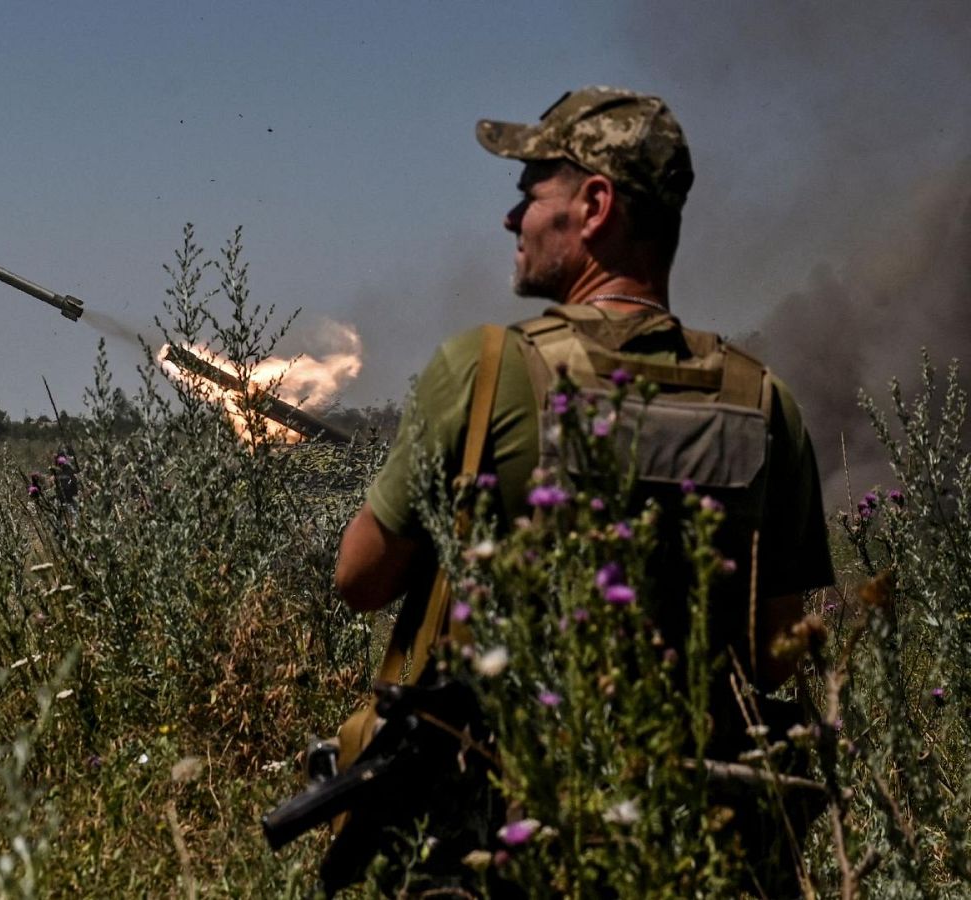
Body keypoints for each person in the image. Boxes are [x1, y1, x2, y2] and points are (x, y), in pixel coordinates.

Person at [330, 86, 834, 889]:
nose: (511, 220)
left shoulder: (486, 371)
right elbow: (776, 655)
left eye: (530, 193)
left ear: (594, 205)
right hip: (697, 846)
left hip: (504, 834)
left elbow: (358, 579)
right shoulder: (763, 401)